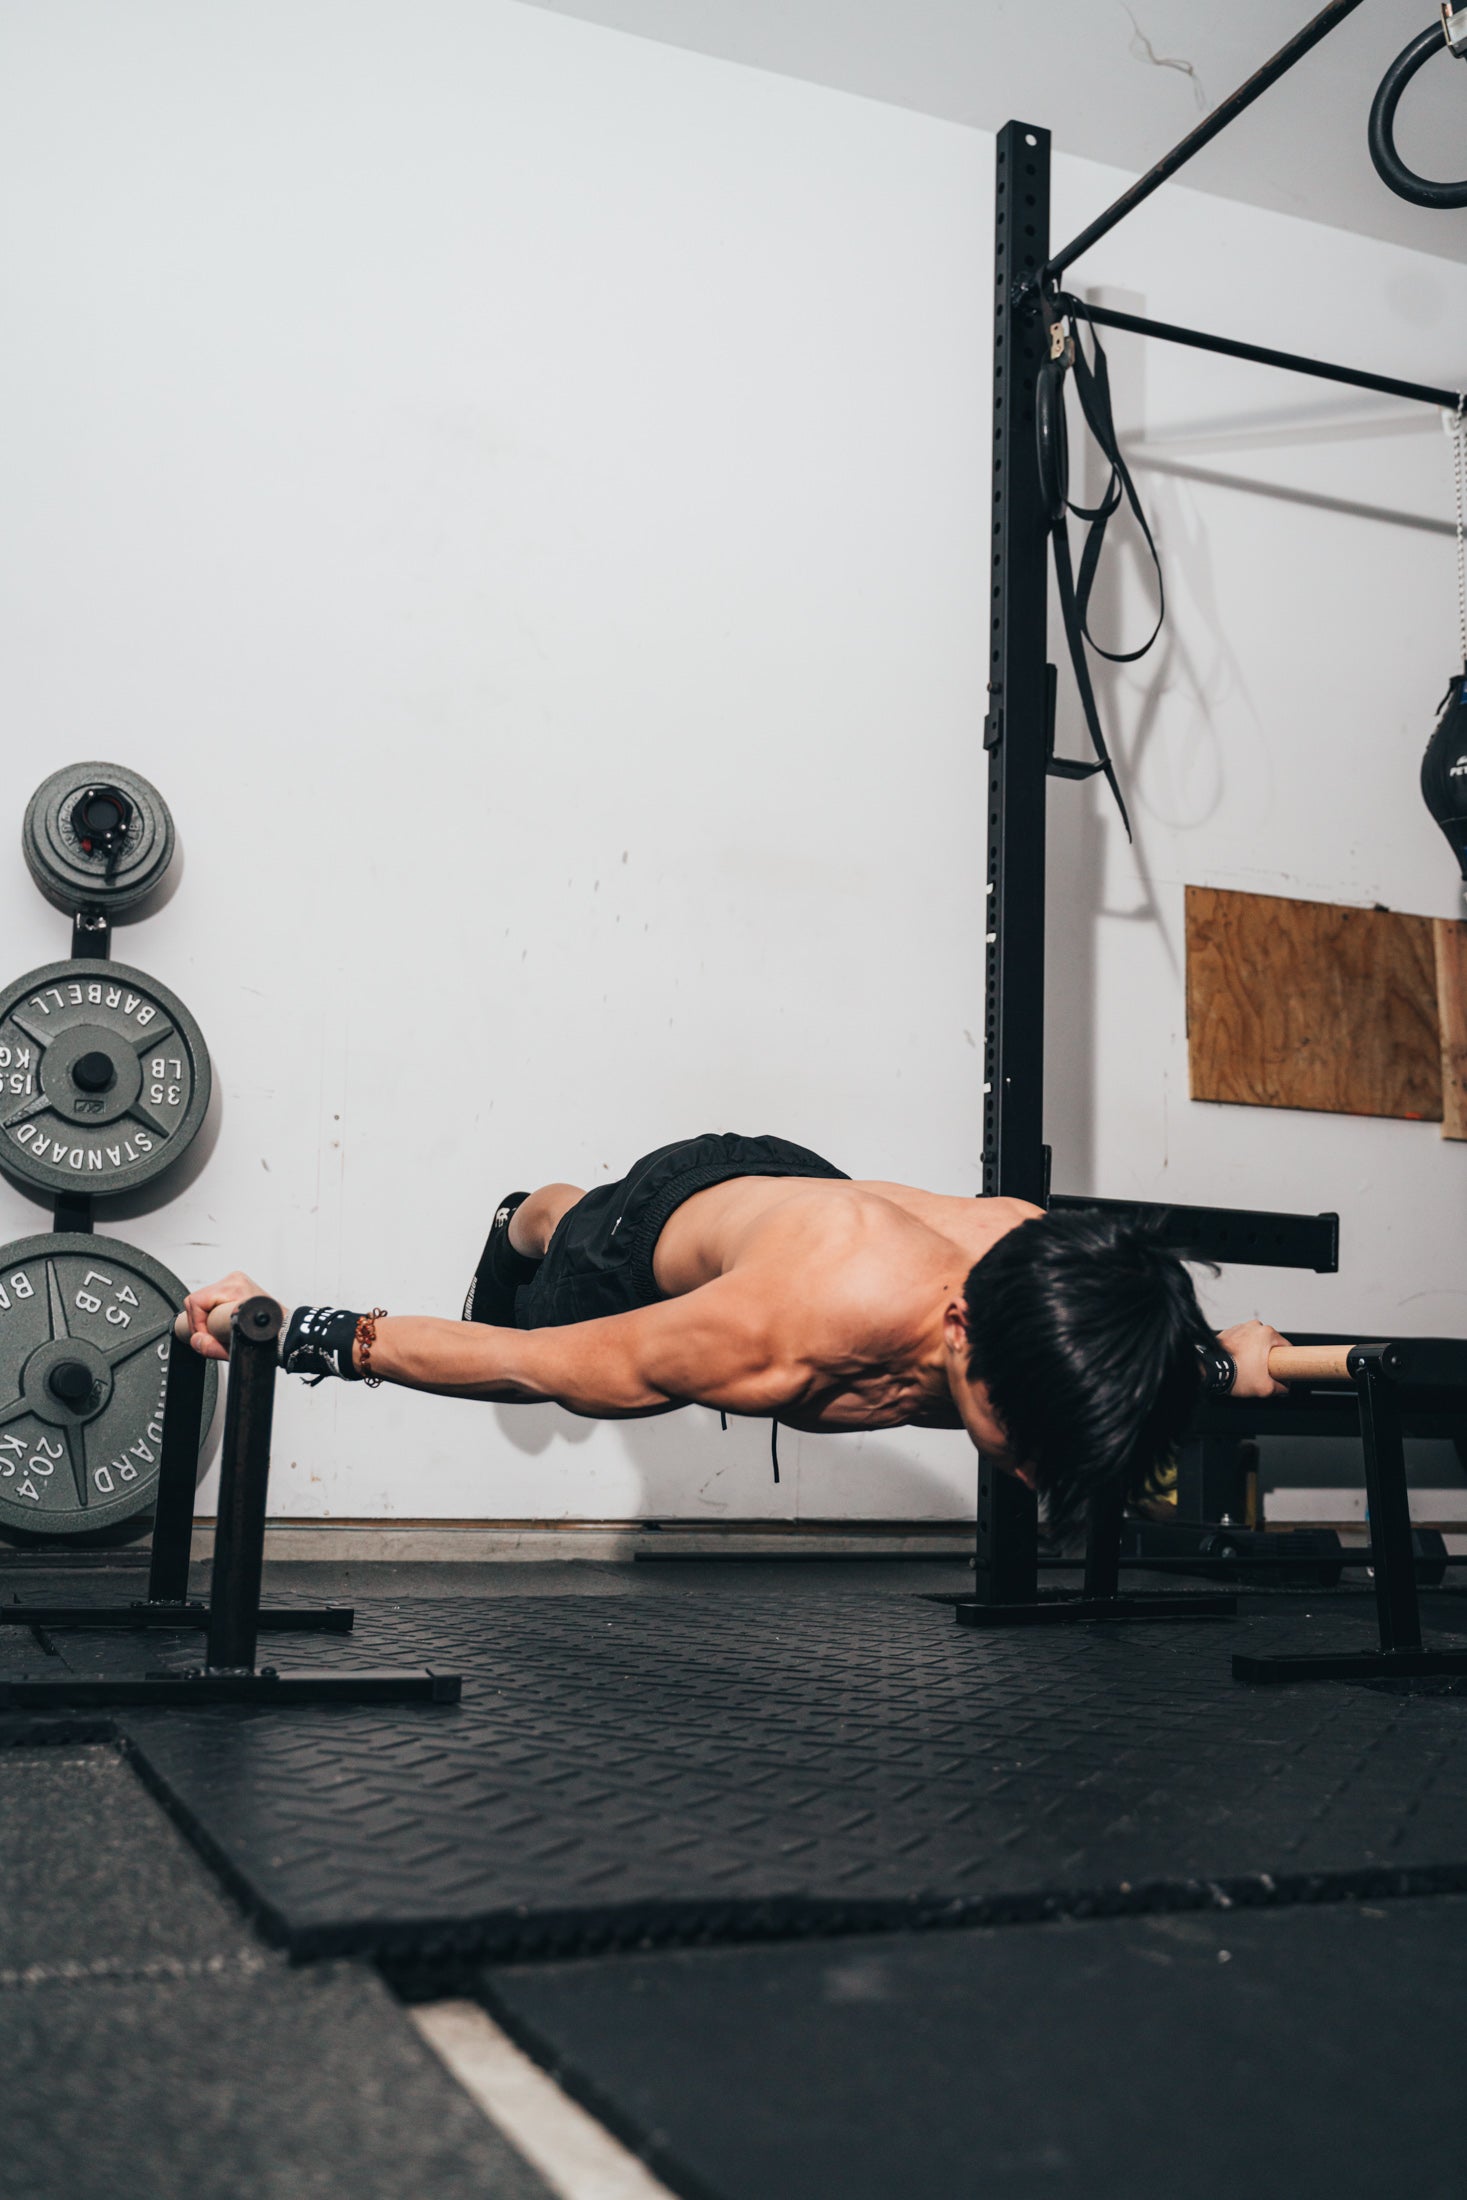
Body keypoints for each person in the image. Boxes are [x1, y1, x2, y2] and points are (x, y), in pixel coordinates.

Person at [180, 1130, 1287, 1530]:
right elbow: (526, 1366)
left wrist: (1221, 1363)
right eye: (1026, 1441)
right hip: (661, 1232)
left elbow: (1173, 1357)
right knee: (566, 1248)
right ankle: (526, 1214)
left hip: (806, 1195)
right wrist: (298, 1329)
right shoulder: (778, 1335)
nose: (1039, 1469)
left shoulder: (1070, 1295)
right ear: (958, 1326)